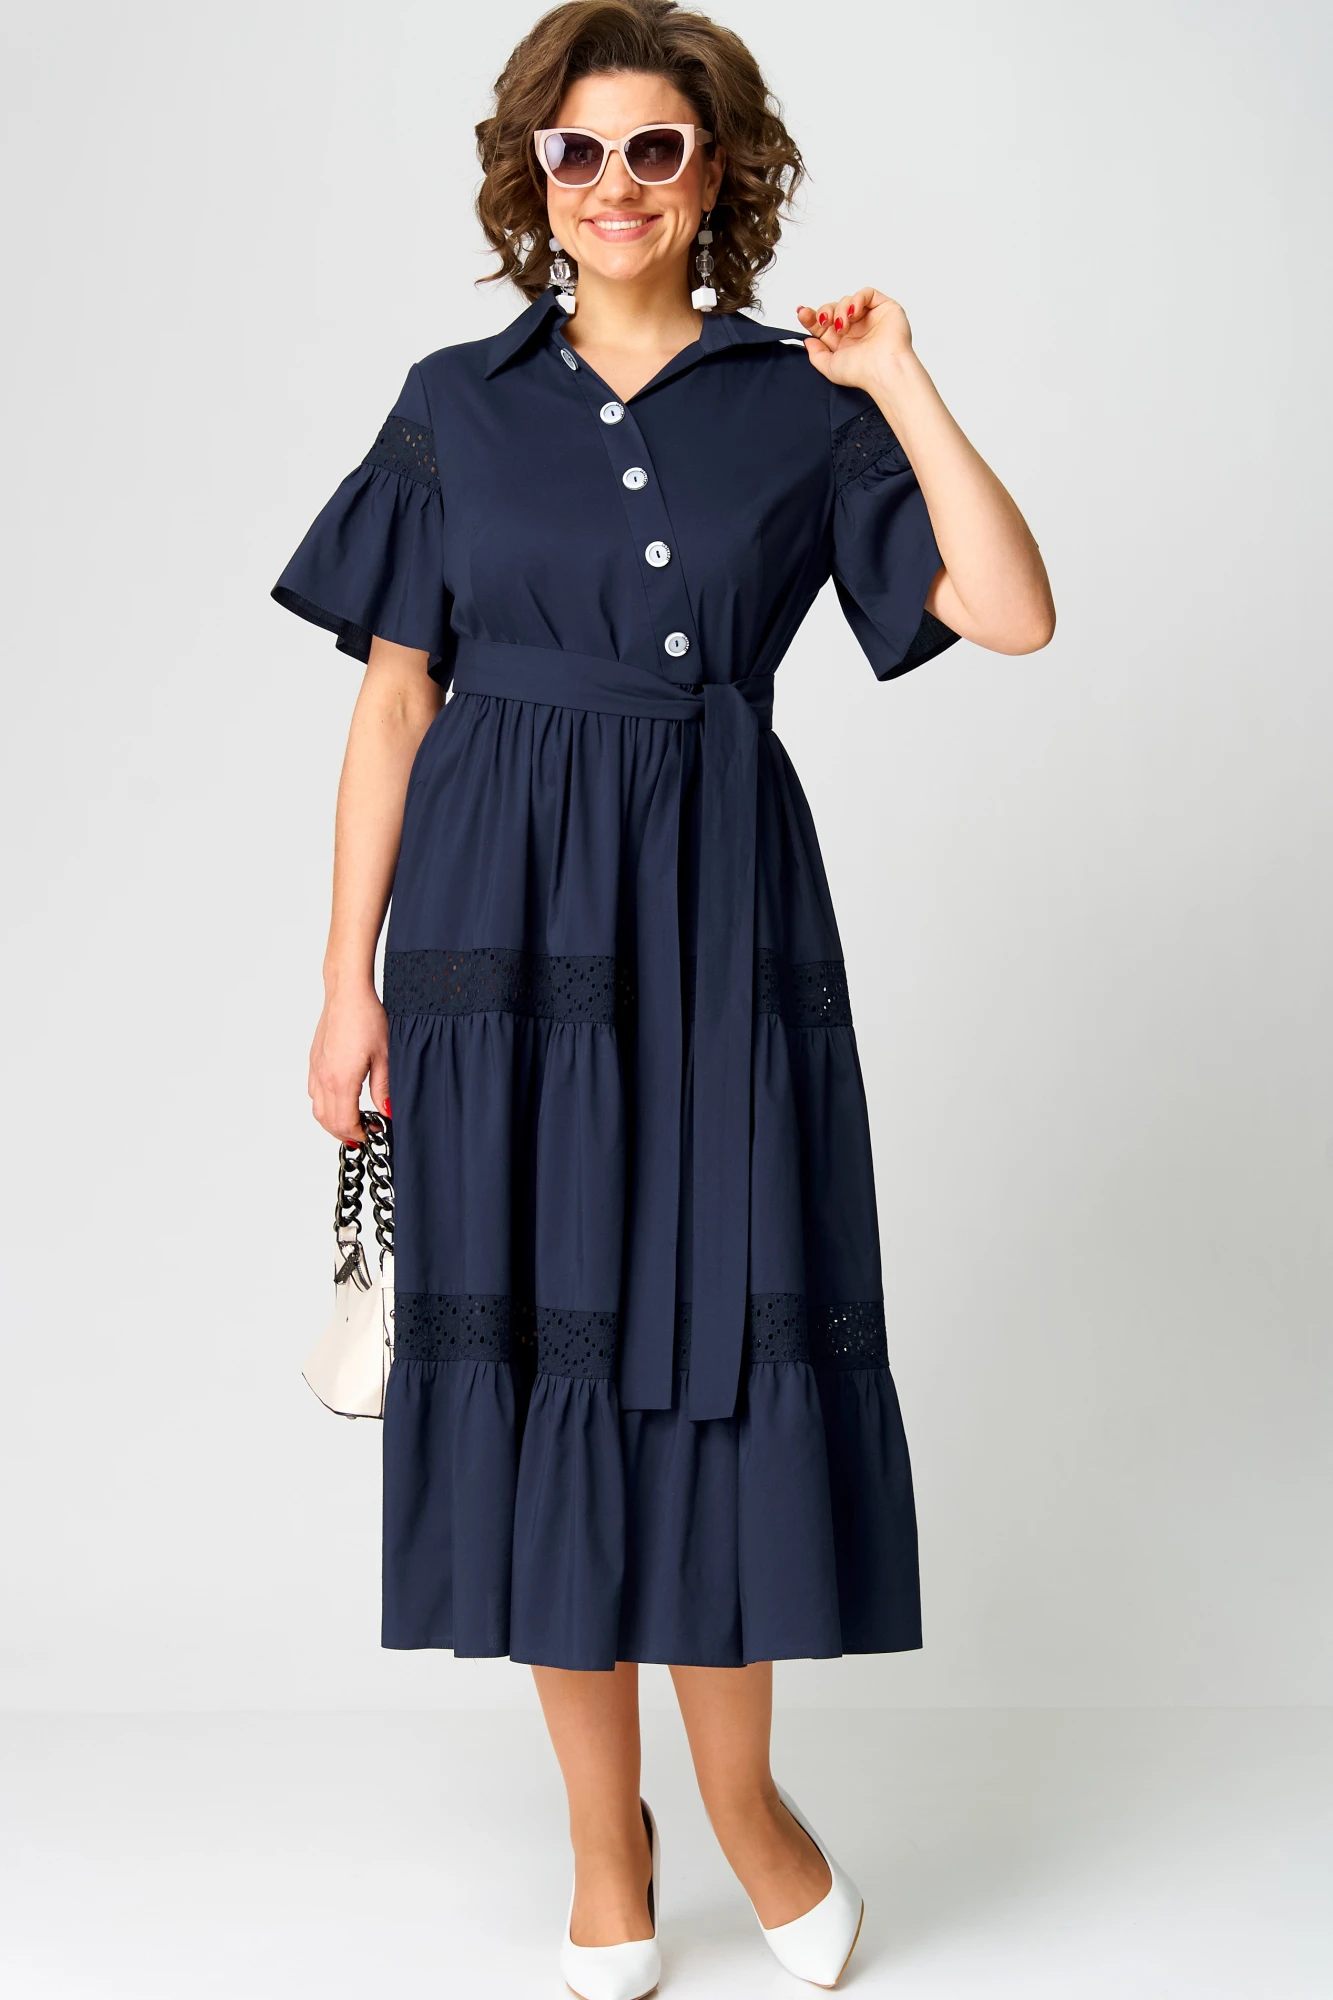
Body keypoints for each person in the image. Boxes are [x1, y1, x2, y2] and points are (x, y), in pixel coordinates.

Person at [273, 2, 1054, 1991]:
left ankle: (745, 1805)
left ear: (720, 175)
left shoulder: (796, 401)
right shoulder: (454, 404)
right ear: (530, 175)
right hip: (492, 926)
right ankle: (599, 1830)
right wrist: (347, 983)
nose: (613, 183)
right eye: (577, 149)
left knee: (713, 1337)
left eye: (656, 148)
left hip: (716, 916)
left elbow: (1011, 611)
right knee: (547, 1339)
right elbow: (393, 704)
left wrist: (901, 380)